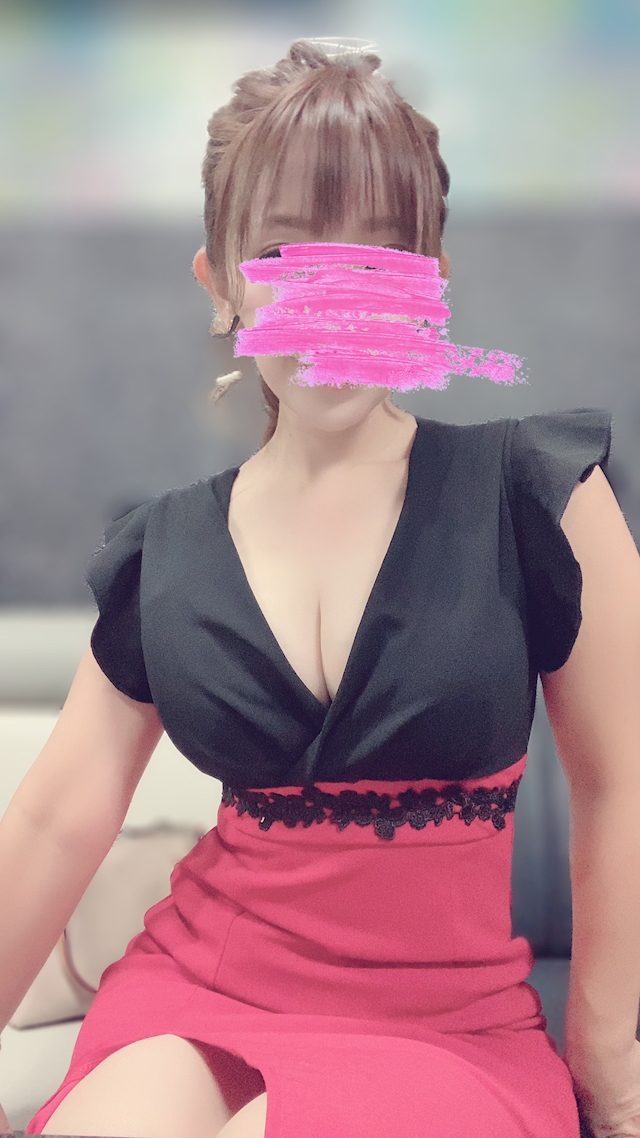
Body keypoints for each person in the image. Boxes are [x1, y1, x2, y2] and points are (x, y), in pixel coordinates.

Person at [2, 36, 640, 1138]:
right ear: (220, 282)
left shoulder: (538, 494)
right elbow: (59, 816)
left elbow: (620, 782)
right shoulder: (165, 547)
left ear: (432, 280)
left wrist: (607, 1064)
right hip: (198, 989)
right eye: (288, 252)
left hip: (444, 1026)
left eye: (381, 254)